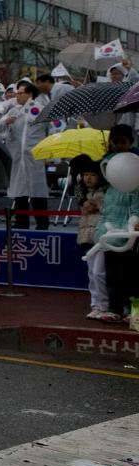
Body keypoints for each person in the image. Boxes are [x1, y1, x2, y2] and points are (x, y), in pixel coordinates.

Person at [97, 124, 139, 324]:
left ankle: (135, 311)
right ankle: (114, 308)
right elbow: (84, 185)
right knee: (113, 272)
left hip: (132, 230)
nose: (120, 145)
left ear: (131, 142)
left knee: (133, 273)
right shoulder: (105, 166)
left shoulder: (136, 164)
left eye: (124, 141)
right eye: (116, 142)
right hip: (110, 227)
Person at [0, 80, 50, 230]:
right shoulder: (14, 111)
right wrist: (6, 122)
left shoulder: (40, 110)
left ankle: (42, 223)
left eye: (21, 93)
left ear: (30, 94)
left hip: (33, 156)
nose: (17, 96)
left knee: (37, 190)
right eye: (17, 93)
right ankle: (22, 221)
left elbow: (49, 131)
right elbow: (0, 129)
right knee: (20, 190)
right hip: (17, 156)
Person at [71, 155, 110, 320]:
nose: (88, 177)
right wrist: (83, 202)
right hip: (87, 238)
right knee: (91, 273)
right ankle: (95, 305)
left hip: (101, 237)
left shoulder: (107, 192)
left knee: (98, 273)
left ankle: (103, 305)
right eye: (85, 174)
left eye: (92, 174)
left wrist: (96, 204)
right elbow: (76, 185)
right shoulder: (82, 193)